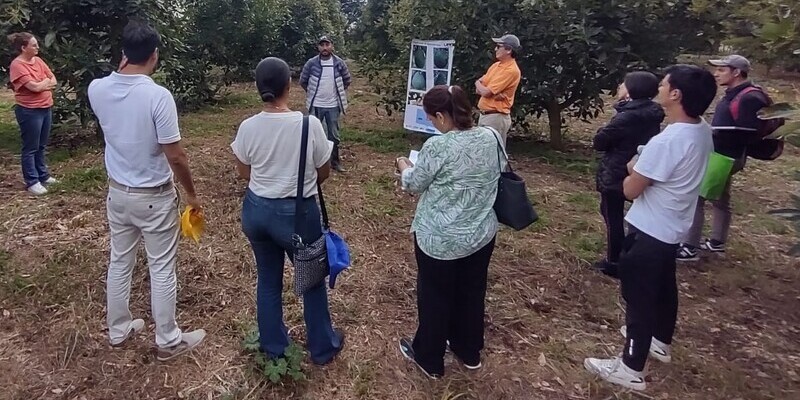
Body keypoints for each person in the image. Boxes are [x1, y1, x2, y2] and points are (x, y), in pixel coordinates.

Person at [584, 65, 716, 390]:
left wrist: (632, 166)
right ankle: (660, 340)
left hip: (650, 229)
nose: (659, 87)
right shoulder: (701, 130)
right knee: (664, 287)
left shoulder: (668, 140)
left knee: (639, 299)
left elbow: (630, 189)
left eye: (664, 84)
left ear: (676, 95)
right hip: (673, 226)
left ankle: (630, 367)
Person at [88, 20, 205, 361]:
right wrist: (192, 194)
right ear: (155, 55)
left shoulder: (96, 89)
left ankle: (118, 329)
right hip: (153, 197)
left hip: (118, 194)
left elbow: (117, 95)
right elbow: (176, 155)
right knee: (162, 266)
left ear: (123, 52)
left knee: (120, 261)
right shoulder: (157, 96)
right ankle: (168, 339)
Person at [232, 57, 345, 365]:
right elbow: (323, 172)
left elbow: (245, 171)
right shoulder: (308, 125)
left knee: (268, 281)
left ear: (258, 89)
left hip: (256, 212)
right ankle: (322, 347)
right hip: (297, 215)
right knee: (310, 281)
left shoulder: (247, 127)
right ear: (288, 86)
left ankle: (274, 350)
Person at [395, 85, 505, 379]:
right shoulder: (491, 136)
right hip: (481, 234)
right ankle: (468, 351)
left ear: (442, 115)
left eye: (431, 117)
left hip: (439, 239)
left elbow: (415, 184)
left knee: (435, 296)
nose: (431, 122)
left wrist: (404, 166)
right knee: (472, 291)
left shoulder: (437, 146)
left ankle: (429, 358)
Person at [677, 55, 768, 261]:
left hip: (723, 157)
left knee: (696, 198)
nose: (716, 74)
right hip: (725, 157)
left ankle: (689, 247)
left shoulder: (749, 98)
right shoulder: (737, 94)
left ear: (736, 72)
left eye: (722, 70)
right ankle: (717, 241)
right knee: (720, 198)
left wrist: (713, 132)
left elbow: (745, 131)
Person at [592, 72, 664, 277]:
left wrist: (602, 131)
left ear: (631, 91)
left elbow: (600, 142)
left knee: (612, 216)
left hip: (617, 171)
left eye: (623, 84)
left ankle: (615, 262)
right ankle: (633, 255)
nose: (620, 87)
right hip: (640, 168)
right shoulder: (652, 112)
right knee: (636, 215)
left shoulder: (627, 116)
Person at [7, 32, 58, 195]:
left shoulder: (39, 61)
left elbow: (54, 80)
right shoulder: (17, 65)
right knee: (31, 147)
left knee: (41, 145)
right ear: (23, 48)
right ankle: (32, 181)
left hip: (45, 108)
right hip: (29, 111)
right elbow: (34, 87)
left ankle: (43, 176)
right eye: (34, 45)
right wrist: (44, 83)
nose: (38, 47)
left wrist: (42, 84)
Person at [300, 35, 352, 172]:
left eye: (327, 44)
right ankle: (315, 163)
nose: (324, 47)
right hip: (316, 105)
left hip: (333, 106)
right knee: (315, 134)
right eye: (322, 45)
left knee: (334, 135)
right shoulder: (311, 63)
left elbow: (347, 80)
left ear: (331, 46)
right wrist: (311, 92)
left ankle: (334, 162)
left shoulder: (339, 63)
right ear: (318, 47)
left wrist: (338, 94)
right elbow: (303, 80)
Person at [475, 34, 522, 146]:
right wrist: (479, 84)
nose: (495, 49)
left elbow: (486, 92)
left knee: (493, 156)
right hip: (485, 115)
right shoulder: (496, 66)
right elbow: (479, 91)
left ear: (509, 50)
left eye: (498, 46)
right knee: (482, 153)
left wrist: (478, 84)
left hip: (496, 117)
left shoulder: (511, 70)